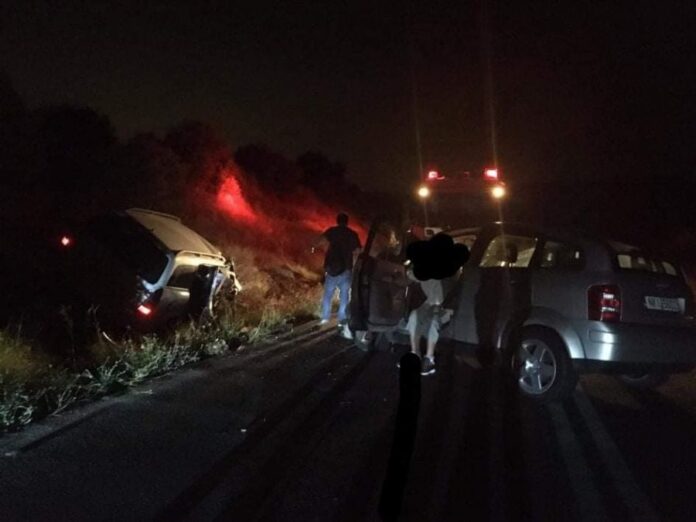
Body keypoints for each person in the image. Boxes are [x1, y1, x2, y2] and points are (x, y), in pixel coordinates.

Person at [313, 212, 361, 325]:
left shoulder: (332, 231)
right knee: (344, 295)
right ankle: (342, 318)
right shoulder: (352, 234)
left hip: (332, 269)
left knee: (328, 294)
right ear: (347, 222)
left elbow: (319, 241)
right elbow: (358, 250)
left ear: (337, 221)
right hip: (347, 269)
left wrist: (314, 248)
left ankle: (325, 317)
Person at [405, 272, 455, 375]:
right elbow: (409, 275)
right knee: (414, 315)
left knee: (434, 319)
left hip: (446, 306)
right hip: (429, 305)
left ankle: (429, 358)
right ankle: (415, 353)